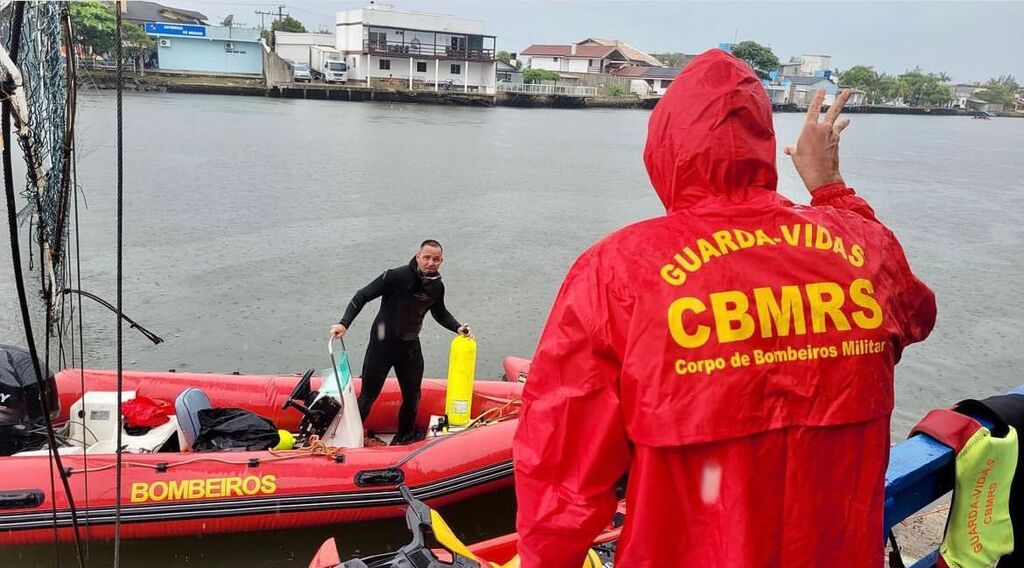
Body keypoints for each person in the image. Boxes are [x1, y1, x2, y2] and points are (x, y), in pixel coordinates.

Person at [513, 49, 936, 567]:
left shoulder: (617, 271)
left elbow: (562, 467)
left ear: (665, 148)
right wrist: (831, 190)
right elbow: (915, 313)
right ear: (762, 143)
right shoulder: (861, 248)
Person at [330, 240, 472, 445]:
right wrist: (344, 324)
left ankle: (403, 436)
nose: (431, 262)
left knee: (413, 396)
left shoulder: (436, 286)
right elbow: (362, 295)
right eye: (427, 257)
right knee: (369, 396)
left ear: (441, 261)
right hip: (382, 345)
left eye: (436, 259)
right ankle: (347, 439)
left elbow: (439, 312)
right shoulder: (395, 276)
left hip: (410, 346)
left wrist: (458, 328)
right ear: (418, 256)